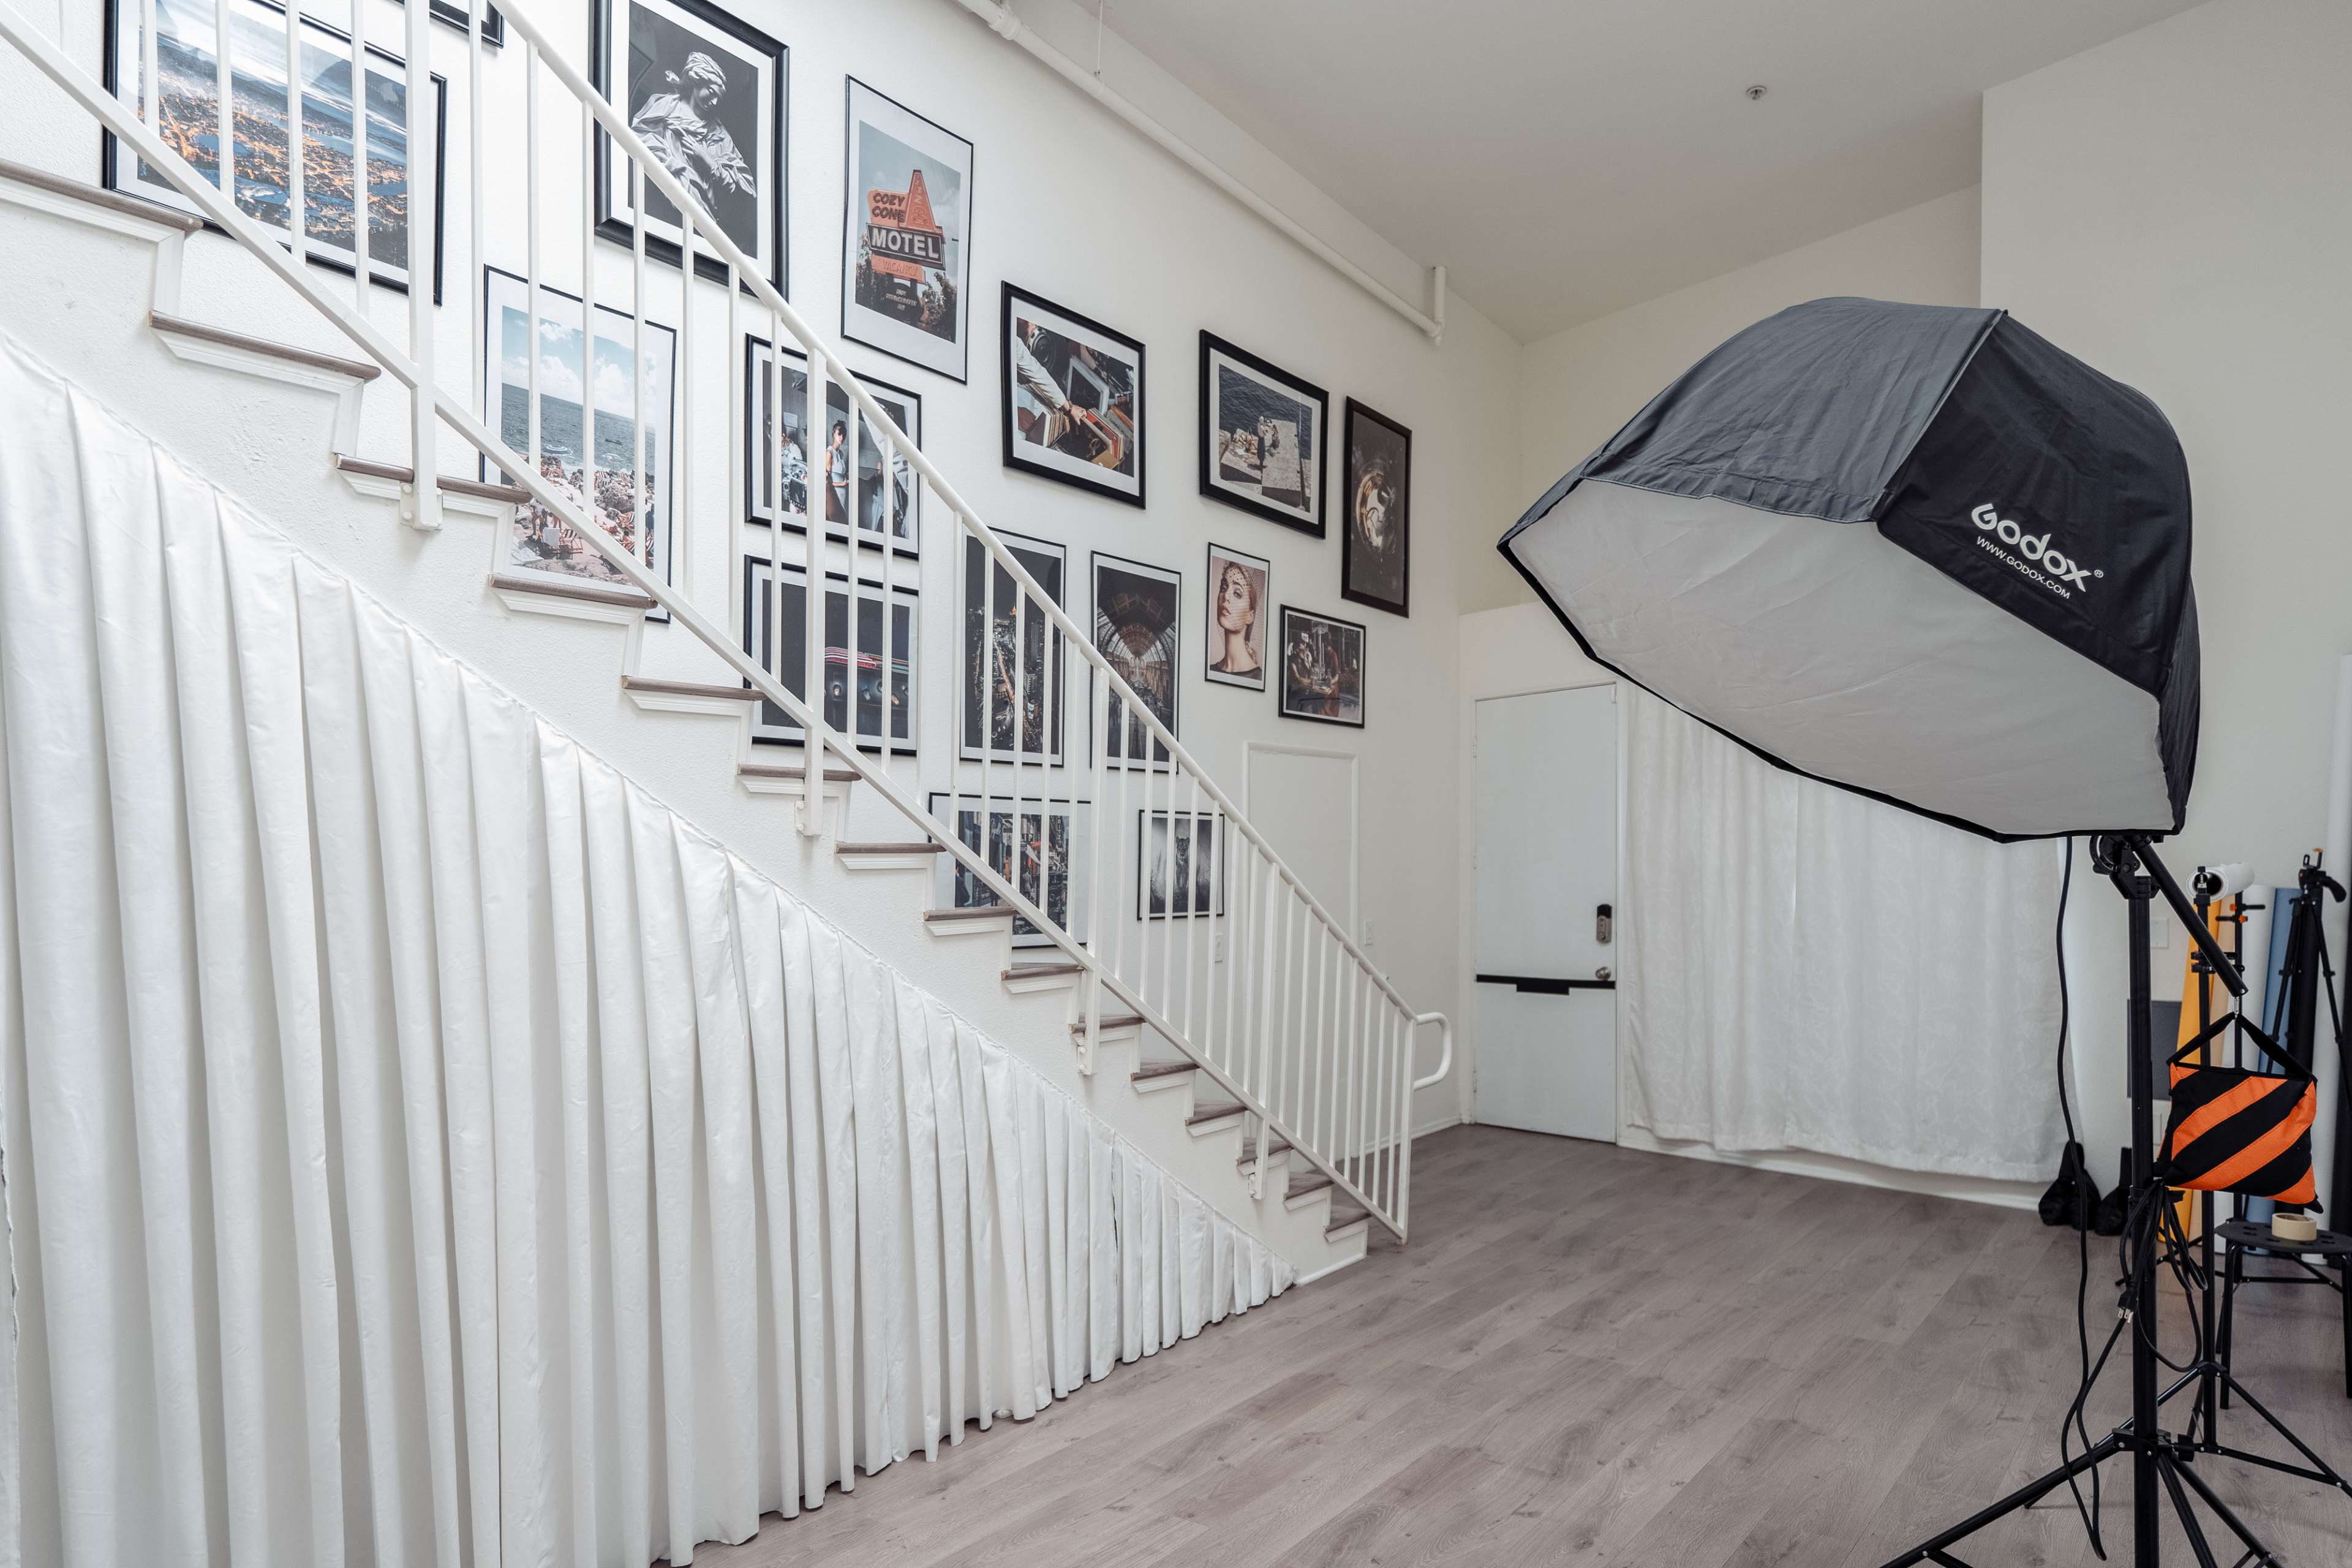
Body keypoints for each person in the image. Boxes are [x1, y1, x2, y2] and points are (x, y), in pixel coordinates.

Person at [630, 52, 755, 225]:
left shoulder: (720, 134)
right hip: (662, 200)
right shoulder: (667, 107)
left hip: (705, 216)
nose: (715, 101)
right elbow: (639, 137)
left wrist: (709, 162)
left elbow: (744, 188)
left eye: (719, 97)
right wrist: (673, 165)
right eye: (711, 92)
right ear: (697, 82)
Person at [1208, 559, 1261, 679]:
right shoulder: (1209, 671)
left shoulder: (1258, 678)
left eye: (1237, 594)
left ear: (1250, 616)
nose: (1226, 596)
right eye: (1223, 588)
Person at [825, 420, 848, 524]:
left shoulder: (841, 453)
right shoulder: (829, 453)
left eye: (843, 435)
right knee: (836, 520)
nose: (842, 438)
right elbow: (826, 481)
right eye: (839, 434)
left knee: (843, 519)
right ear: (834, 434)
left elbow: (841, 473)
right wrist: (842, 483)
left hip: (844, 492)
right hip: (835, 493)